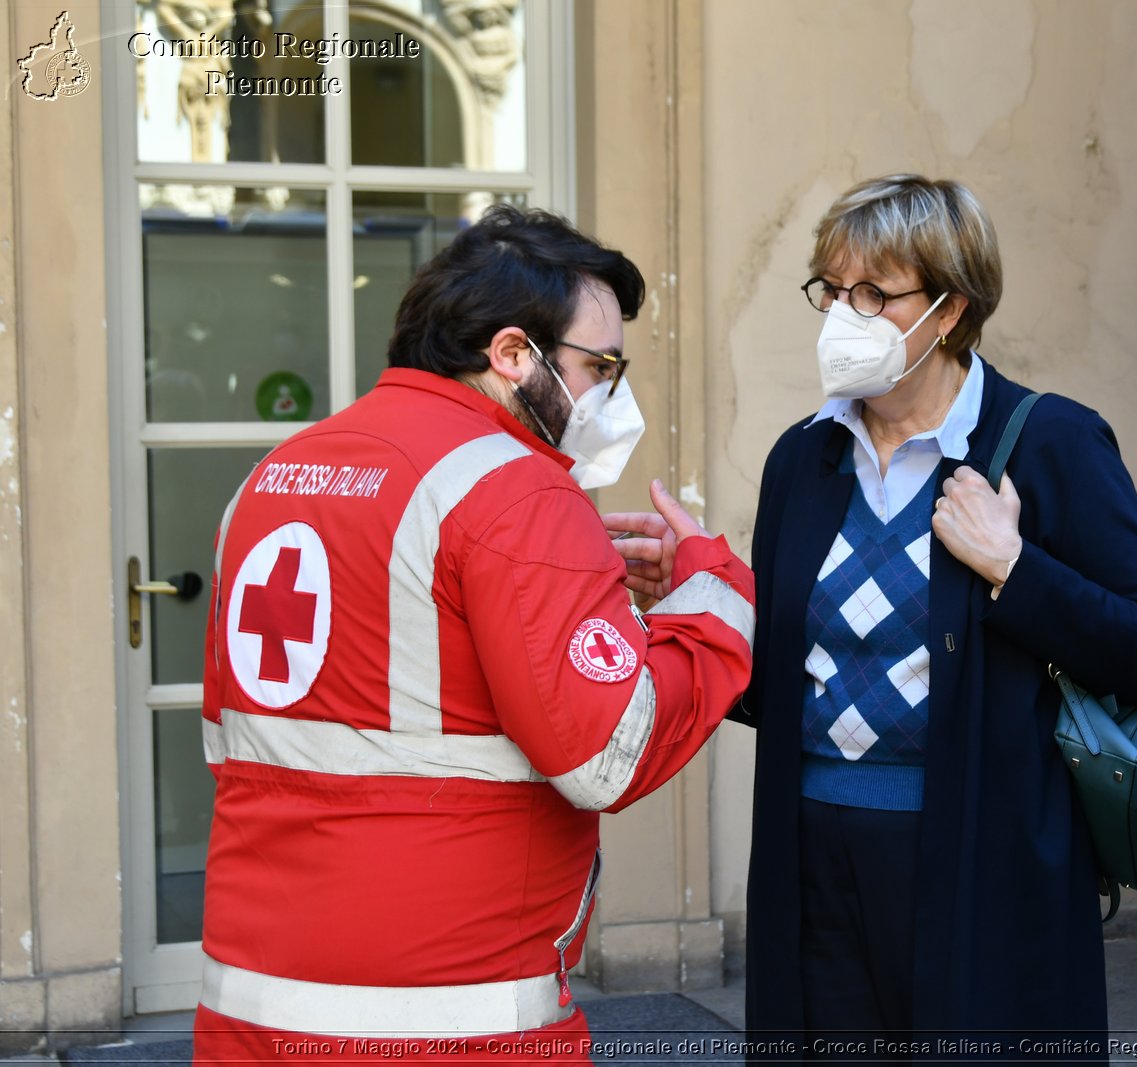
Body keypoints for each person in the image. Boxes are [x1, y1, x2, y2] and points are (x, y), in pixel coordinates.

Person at [195, 205, 755, 1063]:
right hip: (450, 1011)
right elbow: (610, 750)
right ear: (511, 355)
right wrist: (709, 600)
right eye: (601, 364)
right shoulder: (515, 492)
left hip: (251, 1003)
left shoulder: (274, 475)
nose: (613, 390)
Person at [740, 175, 1137, 1061]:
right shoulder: (803, 458)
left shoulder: (1050, 442)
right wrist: (694, 597)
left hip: (985, 867)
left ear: (949, 310)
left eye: (874, 293)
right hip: (815, 866)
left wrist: (1016, 569)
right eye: (832, 291)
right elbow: (775, 680)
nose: (845, 314)